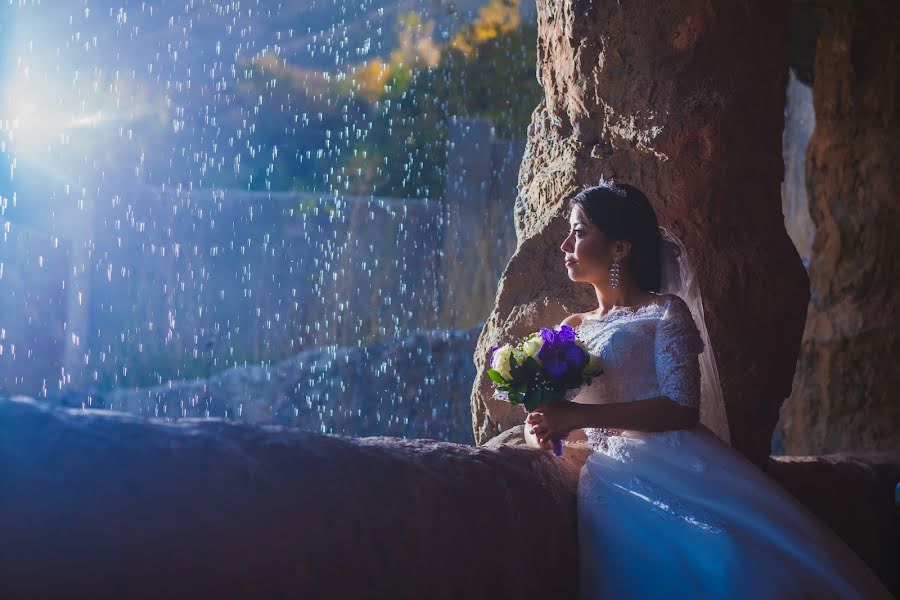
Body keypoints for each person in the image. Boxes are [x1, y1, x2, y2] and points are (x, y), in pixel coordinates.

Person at [523, 179, 892, 599]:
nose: (565, 244)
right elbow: (548, 414)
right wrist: (539, 428)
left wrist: (578, 418)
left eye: (580, 231)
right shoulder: (570, 330)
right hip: (610, 480)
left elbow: (681, 406)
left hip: (675, 465)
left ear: (620, 248)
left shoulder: (664, 312)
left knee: (729, 566)